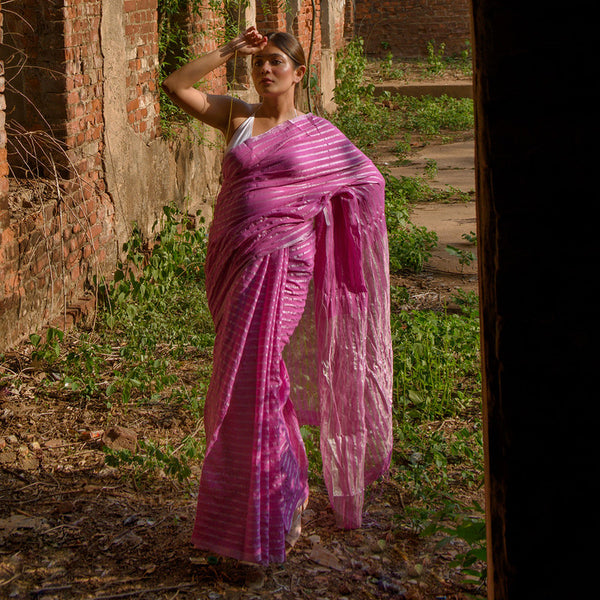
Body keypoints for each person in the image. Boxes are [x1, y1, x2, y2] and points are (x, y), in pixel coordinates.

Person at [162, 26, 393, 566]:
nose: (266, 70)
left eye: (276, 63)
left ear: (298, 73)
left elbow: (369, 182)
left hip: (285, 263)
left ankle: (269, 506)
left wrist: (324, 229)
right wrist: (228, 50)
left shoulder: (320, 135)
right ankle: (283, 489)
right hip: (230, 264)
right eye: (259, 62)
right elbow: (175, 85)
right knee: (240, 377)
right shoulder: (237, 119)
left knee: (257, 377)